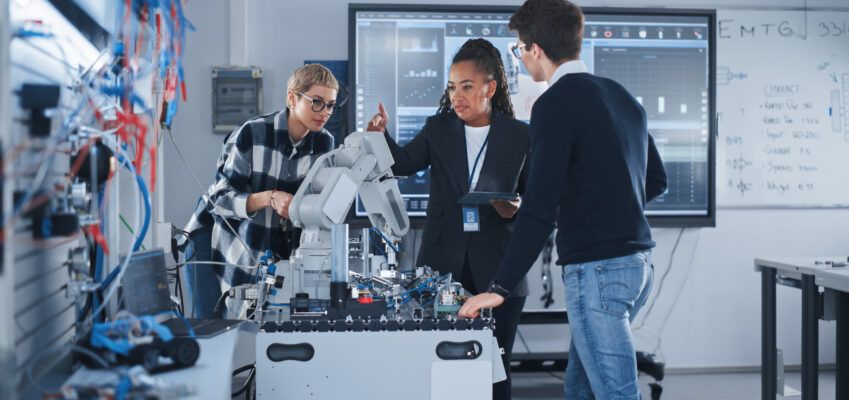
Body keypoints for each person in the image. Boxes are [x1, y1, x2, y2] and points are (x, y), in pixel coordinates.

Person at [458, 1, 668, 399]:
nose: (519, 58)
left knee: (616, 393)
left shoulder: (553, 104)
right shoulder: (622, 96)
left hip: (598, 273)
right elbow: (655, 181)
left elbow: (538, 205)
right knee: (580, 387)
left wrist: (500, 287)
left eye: (519, 49)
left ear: (535, 49)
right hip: (638, 266)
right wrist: (599, 208)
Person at [367, 38, 530, 400]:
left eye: (467, 87)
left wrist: (517, 207)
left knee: (495, 370)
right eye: (452, 87)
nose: (458, 96)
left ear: (490, 87)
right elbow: (403, 163)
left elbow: (537, 198)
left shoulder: (520, 135)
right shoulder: (438, 128)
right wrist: (380, 138)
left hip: (498, 268)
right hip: (441, 265)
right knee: (439, 367)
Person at [182, 64, 339, 318]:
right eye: (317, 102)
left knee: (257, 328)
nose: (325, 112)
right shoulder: (252, 134)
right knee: (212, 328)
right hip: (214, 239)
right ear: (292, 98)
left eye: (330, 105)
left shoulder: (325, 143)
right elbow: (218, 199)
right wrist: (269, 198)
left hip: (264, 243)